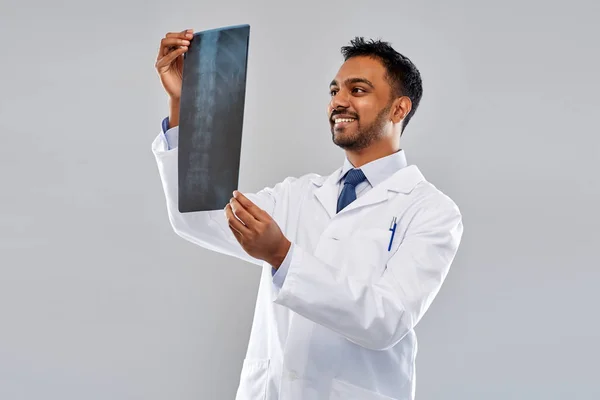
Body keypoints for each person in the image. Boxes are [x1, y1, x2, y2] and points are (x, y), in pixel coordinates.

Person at [152, 28, 463, 400]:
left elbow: (387, 319)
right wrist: (185, 105)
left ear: (399, 108)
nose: (339, 102)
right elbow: (199, 218)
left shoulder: (431, 210)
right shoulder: (298, 195)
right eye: (335, 91)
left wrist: (282, 255)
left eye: (357, 90)